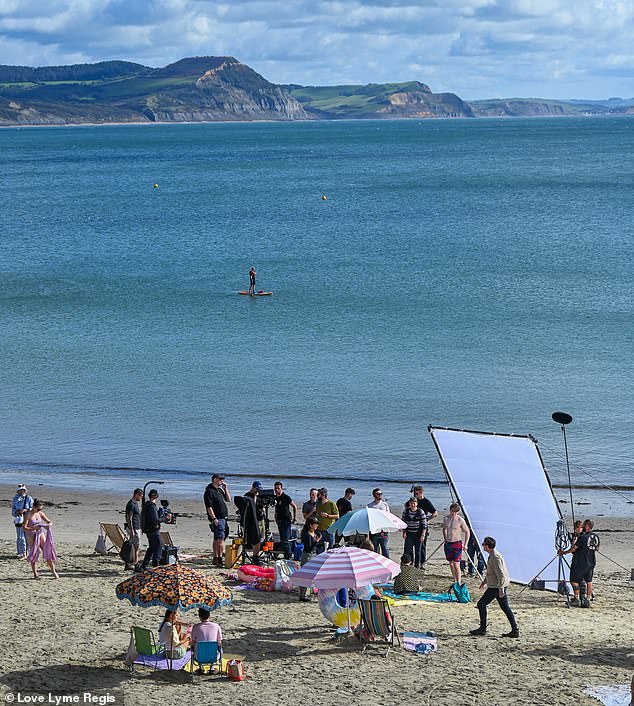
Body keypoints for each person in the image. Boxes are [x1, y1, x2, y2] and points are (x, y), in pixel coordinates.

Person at [470, 536, 519, 638]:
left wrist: (501, 588)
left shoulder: (495, 557)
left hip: (497, 586)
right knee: (505, 607)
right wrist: (484, 582)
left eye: (484, 544)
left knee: (481, 604)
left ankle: (483, 628)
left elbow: (500, 573)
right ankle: (515, 629)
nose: (483, 546)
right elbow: (491, 572)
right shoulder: (492, 555)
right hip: (496, 585)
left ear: (487, 546)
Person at [560, 518, 598, 606]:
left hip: (581, 562)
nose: (579, 528)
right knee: (588, 581)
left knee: (574, 580)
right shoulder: (595, 536)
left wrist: (564, 552)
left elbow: (574, 548)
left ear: (586, 526)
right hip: (590, 561)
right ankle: (586, 599)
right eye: (577, 527)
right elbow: (597, 547)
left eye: (581, 526)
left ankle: (578, 598)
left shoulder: (583, 537)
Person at [23, 499, 58, 579]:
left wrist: (49, 524)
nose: (39, 510)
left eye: (40, 509)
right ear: (34, 507)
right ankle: (35, 574)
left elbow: (49, 521)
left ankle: (54, 572)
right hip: (31, 535)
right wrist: (33, 528)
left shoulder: (40, 514)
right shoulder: (28, 515)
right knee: (34, 554)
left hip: (40, 533)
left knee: (47, 551)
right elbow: (24, 528)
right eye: (38, 509)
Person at [204, 473, 231, 567]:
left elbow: (228, 499)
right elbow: (209, 507)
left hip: (223, 518)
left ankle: (216, 558)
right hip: (217, 518)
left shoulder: (218, 490)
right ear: (214, 479)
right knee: (220, 539)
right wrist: (214, 518)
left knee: (217, 538)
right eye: (220, 480)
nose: (221, 481)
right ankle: (219, 558)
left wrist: (225, 489)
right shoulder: (209, 491)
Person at [442, 502, 470, 585]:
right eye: (452, 511)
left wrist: (465, 544)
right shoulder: (446, 518)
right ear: (450, 510)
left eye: (455, 512)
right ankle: (455, 579)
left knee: (456, 565)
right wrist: (445, 538)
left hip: (457, 543)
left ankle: (459, 582)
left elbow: (467, 532)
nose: (453, 513)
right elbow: (444, 529)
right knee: (451, 564)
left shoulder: (460, 520)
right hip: (448, 543)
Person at [410, 485, 438, 565]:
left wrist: (426, 519)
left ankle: (422, 563)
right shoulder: (414, 501)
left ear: (421, 492)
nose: (415, 495)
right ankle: (411, 561)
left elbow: (435, 513)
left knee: (422, 546)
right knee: (412, 545)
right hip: (413, 525)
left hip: (422, 527)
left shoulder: (426, 502)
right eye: (415, 493)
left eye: (417, 493)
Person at [190, 608, 222, 673]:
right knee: (216, 647)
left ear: (199, 616)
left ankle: (200, 667)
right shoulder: (216, 626)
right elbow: (219, 643)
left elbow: (192, 642)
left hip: (199, 656)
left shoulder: (196, 627)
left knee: (196, 646)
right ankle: (212, 667)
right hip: (213, 656)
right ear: (209, 616)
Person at [298, 517, 321, 602]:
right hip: (307, 556)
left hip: (313, 555)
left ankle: (309, 592)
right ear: (311, 525)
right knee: (305, 576)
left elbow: (314, 547)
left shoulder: (314, 533)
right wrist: (317, 541)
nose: (317, 525)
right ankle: (302, 595)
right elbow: (308, 547)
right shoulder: (306, 534)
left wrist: (319, 543)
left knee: (313, 575)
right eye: (315, 524)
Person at [274, 482, 298, 559]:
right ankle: (285, 553)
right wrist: (275, 517)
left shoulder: (286, 497)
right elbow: (276, 509)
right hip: (279, 520)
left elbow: (294, 506)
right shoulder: (275, 498)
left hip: (286, 520)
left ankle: (289, 555)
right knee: (282, 538)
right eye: (276, 488)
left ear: (281, 489)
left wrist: (294, 518)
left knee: (285, 539)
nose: (277, 490)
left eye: (278, 488)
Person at [401, 497, 427, 568]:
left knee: (418, 551)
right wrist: (404, 532)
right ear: (409, 503)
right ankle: (408, 564)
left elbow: (424, 525)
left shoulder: (420, 512)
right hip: (409, 533)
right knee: (407, 550)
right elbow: (403, 523)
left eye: (414, 503)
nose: (412, 504)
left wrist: (423, 535)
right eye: (411, 503)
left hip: (418, 534)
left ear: (416, 504)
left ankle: (417, 566)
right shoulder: (406, 512)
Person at [140, 489, 162, 570]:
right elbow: (155, 520)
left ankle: (144, 565)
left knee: (152, 547)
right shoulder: (152, 506)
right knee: (158, 546)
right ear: (156, 496)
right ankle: (156, 564)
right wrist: (164, 518)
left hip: (148, 530)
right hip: (153, 530)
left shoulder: (146, 504)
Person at [11, 483, 33, 559]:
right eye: (19, 490)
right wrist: (16, 512)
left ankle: (28, 553)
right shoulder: (15, 498)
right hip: (19, 519)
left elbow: (32, 509)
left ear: (25, 491)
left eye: (22, 490)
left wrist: (25, 510)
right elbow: (13, 510)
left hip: (27, 519)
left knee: (27, 536)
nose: (21, 492)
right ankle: (21, 552)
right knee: (20, 536)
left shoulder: (29, 498)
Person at [367, 488, 390, 557]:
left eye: (381, 494)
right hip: (374, 531)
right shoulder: (370, 506)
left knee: (385, 549)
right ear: (374, 495)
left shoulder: (385, 505)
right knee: (375, 549)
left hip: (383, 530)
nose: (380, 495)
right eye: (378, 494)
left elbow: (388, 517)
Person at [315, 487, 339, 552]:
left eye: (319, 495)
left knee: (330, 549)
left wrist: (327, 516)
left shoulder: (331, 504)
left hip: (328, 529)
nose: (317, 496)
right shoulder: (318, 504)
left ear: (323, 495)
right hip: (319, 528)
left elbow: (337, 516)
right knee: (319, 548)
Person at [125, 488, 143, 569]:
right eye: (140, 496)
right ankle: (135, 563)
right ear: (136, 495)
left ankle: (131, 563)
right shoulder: (131, 504)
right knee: (135, 546)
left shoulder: (135, 503)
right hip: (134, 528)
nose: (141, 498)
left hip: (137, 527)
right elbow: (129, 518)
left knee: (135, 546)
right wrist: (131, 529)